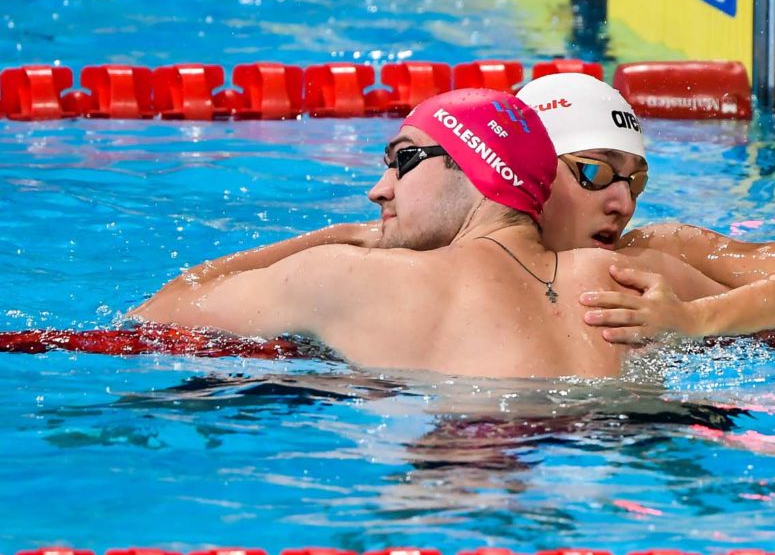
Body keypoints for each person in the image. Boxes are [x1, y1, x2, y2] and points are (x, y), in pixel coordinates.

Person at [153, 74, 775, 346]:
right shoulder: (418, 251)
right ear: (528, 170)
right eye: (595, 171)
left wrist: (700, 320)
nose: (621, 200)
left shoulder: (652, 261)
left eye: (635, 180)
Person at [133, 89, 728, 378]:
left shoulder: (349, 278)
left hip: (456, 473)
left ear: (473, 167)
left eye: (402, 160)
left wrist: (327, 239)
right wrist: (702, 322)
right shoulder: (635, 280)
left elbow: (157, 313)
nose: (379, 188)